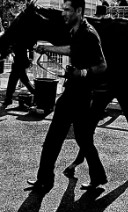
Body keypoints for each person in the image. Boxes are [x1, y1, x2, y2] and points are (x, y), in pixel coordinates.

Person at [27, 0, 108, 192]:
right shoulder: (77, 30)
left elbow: (103, 65)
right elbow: (71, 49)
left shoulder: (89, 34)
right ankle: (98, 177)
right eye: (63, 9)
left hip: (79, 96)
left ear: (79, 11)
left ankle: (45, 180)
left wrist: (82, 73)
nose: (63, 13)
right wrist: (46, 48)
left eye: (67, 10)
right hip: (74, 93)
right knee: (83, 140)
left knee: (55, 139)